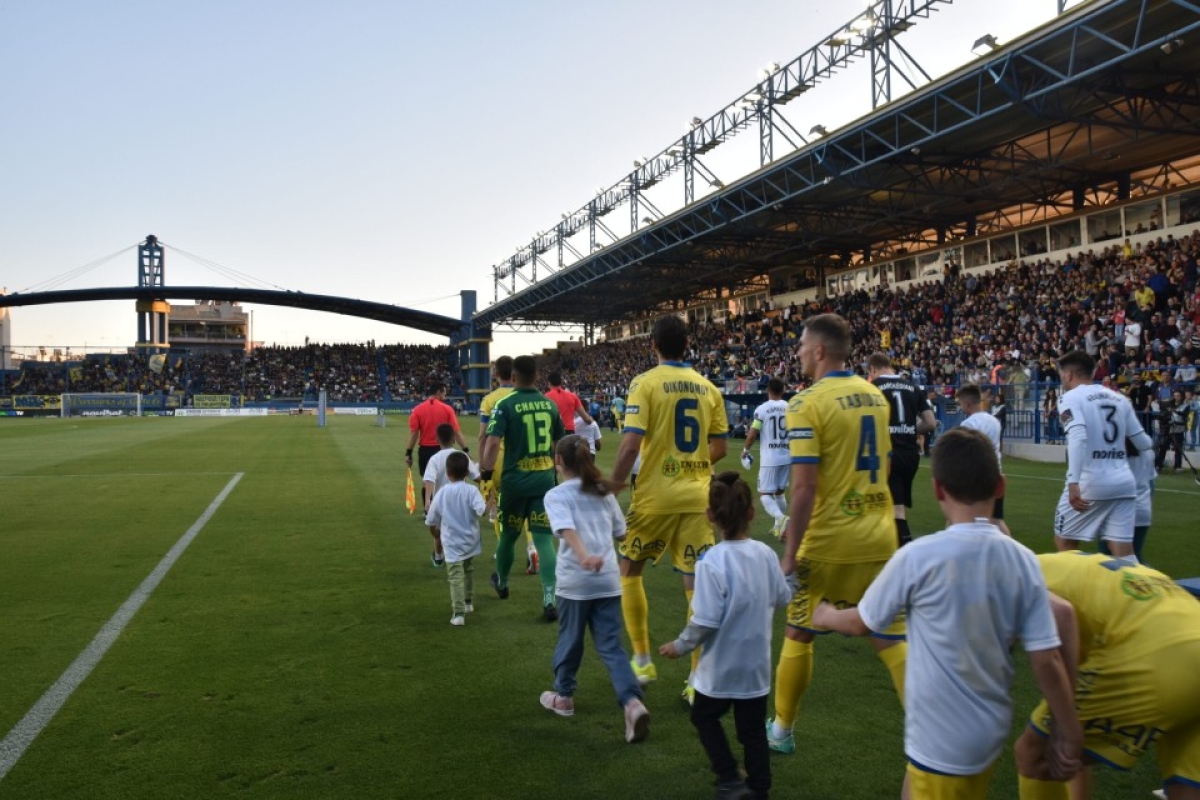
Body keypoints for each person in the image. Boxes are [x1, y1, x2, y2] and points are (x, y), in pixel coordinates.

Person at [814, 429, 1081, 799]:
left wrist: (825, 615)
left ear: (938, 489)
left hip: (942, 737)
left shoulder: (919, 556)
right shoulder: (1022, 559)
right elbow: (1046, 658)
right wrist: (1070, 731)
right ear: (1000, 486)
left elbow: (862, 621)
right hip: (989, 729)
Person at [766, 314, 907, 756]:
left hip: (828, 542)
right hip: (880, 534)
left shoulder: (806, 403)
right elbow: (883, 468)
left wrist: (790, 555)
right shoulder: (875, 397)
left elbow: (804, 486)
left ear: (821, 351)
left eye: (803, 346)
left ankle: (783, 730)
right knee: (891, 633)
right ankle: (930, 724)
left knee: (798, 632)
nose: (800, 353)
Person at [609, 315, 729, 702]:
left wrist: (613, 485)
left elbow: (629, 445)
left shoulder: (644, 384)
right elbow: (720, 447)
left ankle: (642, 659)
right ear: (687, 344)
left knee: (630, 569)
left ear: (653, 345)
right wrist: (692, 467)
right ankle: (696, 683)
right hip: (697, 498)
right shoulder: (708, 388)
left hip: (654, 498)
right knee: (696, 587)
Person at [1014, 552, 1200, 800]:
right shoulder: (1055, 563)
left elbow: (1059, 613)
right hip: (1186, 624)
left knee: (1037, 756)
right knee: (1187, 783)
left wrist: (1063, 723)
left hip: (1156, 652)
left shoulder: (1002, 576)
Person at [659, 472, 792, 800]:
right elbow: (783, 597)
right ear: (751, 513)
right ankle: (759, 789)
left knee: (704, 716)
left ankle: (730, 777)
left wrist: (680, 645)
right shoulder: (765, 554)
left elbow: (704, 620)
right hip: (755, 670)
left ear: (709, 516)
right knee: (753, 734)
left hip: (719, 670)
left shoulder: (711, 562)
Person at [539, 435, 650, 744]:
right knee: (611, 646)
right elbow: (621, 532)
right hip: (608, 579)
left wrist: (584, 553)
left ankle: (563, 697)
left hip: (577, 579)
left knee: (570, 640)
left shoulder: (557, 494)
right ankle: (632, 702)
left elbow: (566, 529)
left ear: (558, 462)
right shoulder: (603, 493)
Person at [480, 355, 566, 621]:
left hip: (515, 483)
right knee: (543, 539)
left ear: (513, 377)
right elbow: (560, 443)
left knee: (508, 536)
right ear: (536, 377)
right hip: (544, 482)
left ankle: (503, 583)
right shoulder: (549, 405)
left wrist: (485, 470)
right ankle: (550, 598)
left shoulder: (505, 404)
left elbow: (492, 443)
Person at [1053, 351, 1153, 558]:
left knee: (1065, 543)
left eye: (1061, 374)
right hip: (1124, 483)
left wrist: (1073, 482)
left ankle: (1077, 589)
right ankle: (1140, 588)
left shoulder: (1069, 398)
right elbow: (1144, 443)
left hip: (1091, 482)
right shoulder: (1119, 398)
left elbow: (1078, 437)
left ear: (1069, 374)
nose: (1061, 378)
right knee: (1123, 554)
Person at [868, 353, 936, 547]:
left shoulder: (874, 387)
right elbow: (930, 423)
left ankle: (903, 554)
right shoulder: (913, 387)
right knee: (895, 507)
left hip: (889, 455)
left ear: (872, 369)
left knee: (892, 509)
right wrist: (910, 430)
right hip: (910, 456)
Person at [478, 356, 538, 574]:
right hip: (525, 458)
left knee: (499, 505)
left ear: (496, 374)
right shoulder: (525, 396)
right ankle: (532, 547)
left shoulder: (489, 400)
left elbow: (483, 436)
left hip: (499, 459)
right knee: (526, 506)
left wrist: (484, 467)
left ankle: (503, 548)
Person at [424, 452, 486, 626]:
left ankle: (458, 613)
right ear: (467, 472)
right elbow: (481, 511)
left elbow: (432, 518)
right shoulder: (472, 490)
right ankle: (468, 602)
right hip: (470, 541)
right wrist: (490, 502)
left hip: (451, 543)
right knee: (468, 570)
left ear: (447, 472)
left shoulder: (442, 493)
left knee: (455, 576)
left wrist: (434, 532)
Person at [739, 377, 792, 539]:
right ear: (783, 390)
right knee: (780, 492)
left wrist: (745, 450)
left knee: (764, 494)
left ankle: (781, 518)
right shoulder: (789, 407)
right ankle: (779, 528)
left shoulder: (762, 410)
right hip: (787, 456)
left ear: (768, 390)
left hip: (770, 458)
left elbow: (753, 433)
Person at [422, 423, 480, 566]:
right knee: (460, 528)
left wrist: (428, 501)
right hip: (461, 501)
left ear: (437, 439)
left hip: (441, 502)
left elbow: (429, 480)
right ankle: (463, 556)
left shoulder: (435, 458)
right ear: (454, 439)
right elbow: (477, 477)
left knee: (438, 532)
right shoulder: (462, 456)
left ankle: (438, 556)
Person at [956, 384, 1011, 536]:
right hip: (995, 473)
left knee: (958, 518)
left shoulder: (969, 424)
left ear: (967, 403)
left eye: (961, 403)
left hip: (976, 477)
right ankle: (1011, 551)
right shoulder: (994, 420)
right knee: (997, 521)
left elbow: (967, 452)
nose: (961, 407)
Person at [406, 380, 469, 512]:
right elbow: (456, 432)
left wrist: (408, 453)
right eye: (444, 393)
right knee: (447, 480)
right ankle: (446, 508)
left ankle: (427, 510)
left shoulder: (417, 410)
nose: (445, 396)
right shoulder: (447, 409)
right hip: (443, 449)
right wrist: (465, 450)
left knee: (427, 481)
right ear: (439, 392)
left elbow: (414, 434)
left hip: (425, 451)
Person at [1099, 436, 1156, 561]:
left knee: (1107, 557)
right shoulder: (1147, 452)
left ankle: (1152, 580)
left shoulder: (1114, 453)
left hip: (1118, 511)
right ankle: (1151, 579)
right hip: (1142, 510)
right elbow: (1151, 484)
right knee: (1134, 555)